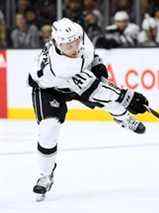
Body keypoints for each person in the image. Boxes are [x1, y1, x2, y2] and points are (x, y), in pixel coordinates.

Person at [28, 18, 149, 201]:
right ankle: (45, 175)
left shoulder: (80, 37)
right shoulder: (62, 65)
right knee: (48, 129)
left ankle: (124, 118)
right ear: (56, 43)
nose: (73, 47)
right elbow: (98, 90)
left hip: (75, 81)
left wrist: (99, 68)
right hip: (48, 88)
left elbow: (92, 58)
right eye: (66, 45)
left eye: (75, 41)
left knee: (111, 100)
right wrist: (128, 97)